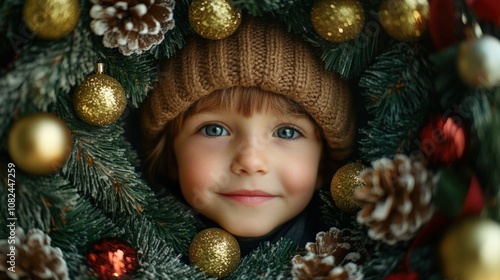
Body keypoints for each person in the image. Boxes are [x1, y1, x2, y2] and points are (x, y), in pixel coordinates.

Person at [141, 16, 356, 256]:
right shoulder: (139, 254)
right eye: (215, 129)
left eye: (286, 132)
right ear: (171, 156)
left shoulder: (346, 261)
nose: (251, 162)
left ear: (322, 165)